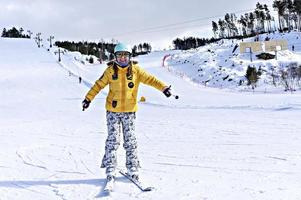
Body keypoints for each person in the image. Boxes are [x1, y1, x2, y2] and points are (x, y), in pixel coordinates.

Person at [82, 43, 172, 181]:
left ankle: (133, 167)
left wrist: (164, 88)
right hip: (112, 111)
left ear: (130, 57)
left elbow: (151, 80)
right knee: (113, 140)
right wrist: (88, 99)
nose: (122, 59)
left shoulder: (136, 71)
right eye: (119, 56)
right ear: (115, 57)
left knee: (130, 140)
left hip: (129, 112)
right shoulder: (110, 71)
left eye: (125, 56)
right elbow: (98, 85)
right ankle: (110, 168)